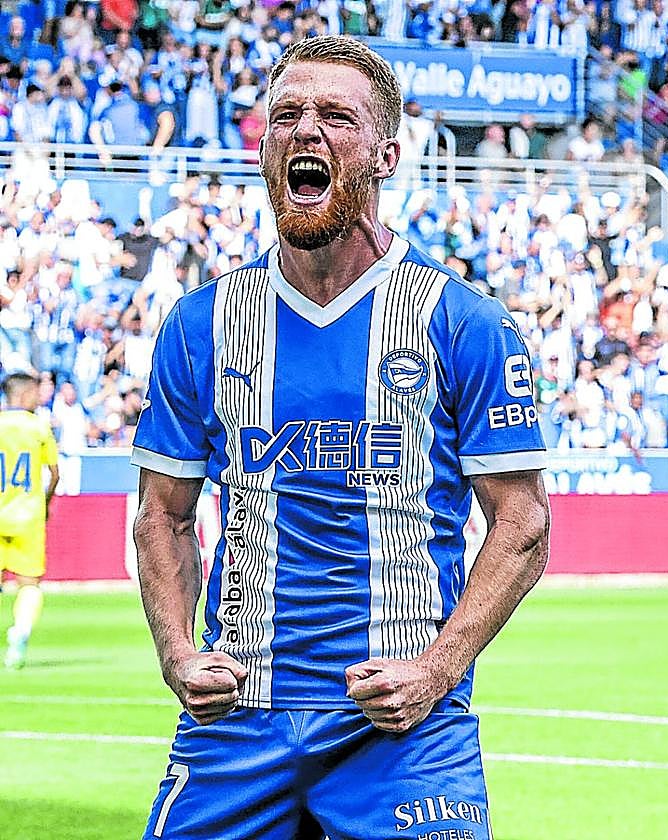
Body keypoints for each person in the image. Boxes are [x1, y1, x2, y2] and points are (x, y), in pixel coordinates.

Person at [130, 36, 550, 840]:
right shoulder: (201, 324)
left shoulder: (463, 321)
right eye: (285, 114)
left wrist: (435, 671)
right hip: (238, 717)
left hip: (403, 727)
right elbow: (162, 514)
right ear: (263, 149)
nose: (305, 130)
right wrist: (178, 653)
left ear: (387, 154)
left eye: (334, 116)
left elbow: (523, 525)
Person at [0, 372, 59, 670]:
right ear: (24, 396)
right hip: (27, 517)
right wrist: (46, 503)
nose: (40, 398)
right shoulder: (38, 426)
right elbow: (55, 474)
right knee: (29, 584)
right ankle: (19, 637)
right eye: (36, 393)